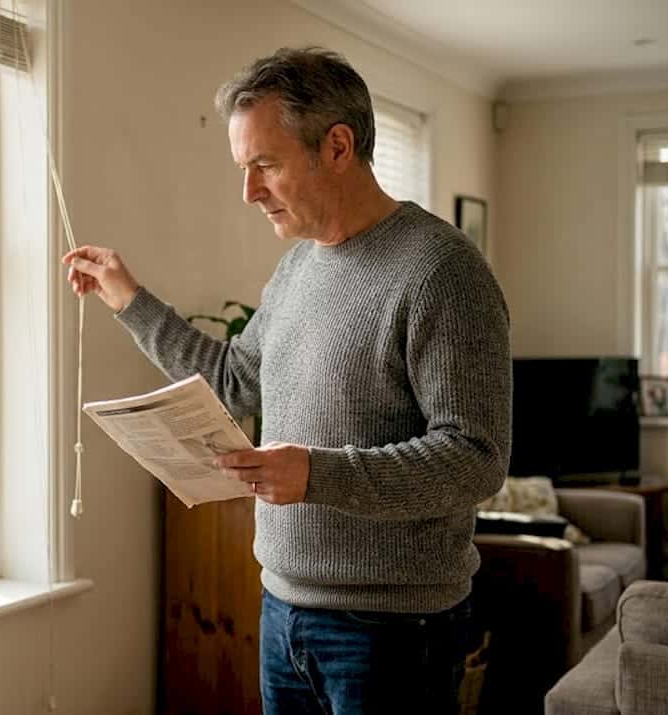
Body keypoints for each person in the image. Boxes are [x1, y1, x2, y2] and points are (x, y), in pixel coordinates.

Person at [63, 47, 511, 714]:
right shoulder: (298, 269)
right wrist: (131, 301)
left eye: (264, 165)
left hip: (391, 635)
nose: (249, 192)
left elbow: (476, 458)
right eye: (244, 169)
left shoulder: (441, 271)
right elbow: (234, 379)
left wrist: (316, 474)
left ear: (336, 146)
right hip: (282, 612)